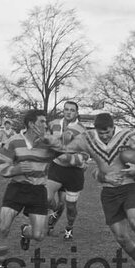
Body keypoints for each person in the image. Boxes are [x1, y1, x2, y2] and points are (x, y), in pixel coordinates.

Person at [64, 113, 135, 268]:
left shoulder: (127, 136)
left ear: (113, 127)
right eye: (101, 133)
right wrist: (103, 176)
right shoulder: (87, 139)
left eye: (107, 132)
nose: (104, 136)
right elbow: (66, 150)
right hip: (109, 192)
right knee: (121, 236)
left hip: (130, 186)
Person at [0, 109, 72, 268]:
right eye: (42, 122)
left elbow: (65, 150)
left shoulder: (47, 143)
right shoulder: (14, 141)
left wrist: (47, 138)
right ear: (31, 124)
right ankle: (0, 264)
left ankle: (25, 231)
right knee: (3, 227)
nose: (45, 124)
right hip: (16, 189)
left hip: (38, 191)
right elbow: (1, 167)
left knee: (39, 236)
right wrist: (16, 169)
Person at [45, 100, 89, 240]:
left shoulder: (82, 130)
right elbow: (46, 140)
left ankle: (69, 227)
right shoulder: (54, 124)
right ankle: (56, 210)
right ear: (63, 111)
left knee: (70, 207)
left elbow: (86, 154)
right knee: (46, 198)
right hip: (57, 168)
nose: (69, 112)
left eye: (72, 110)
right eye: (66, 109)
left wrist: (73, 159)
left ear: (77, 113)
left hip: (73, 172)